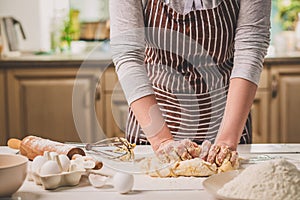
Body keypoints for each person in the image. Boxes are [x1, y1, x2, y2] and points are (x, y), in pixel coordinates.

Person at [109, 0, 271, 165]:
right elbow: (127, 54)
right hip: (152, 130)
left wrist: (226, 141)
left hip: (227, 126)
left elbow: (251, 47)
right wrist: (162, 141)